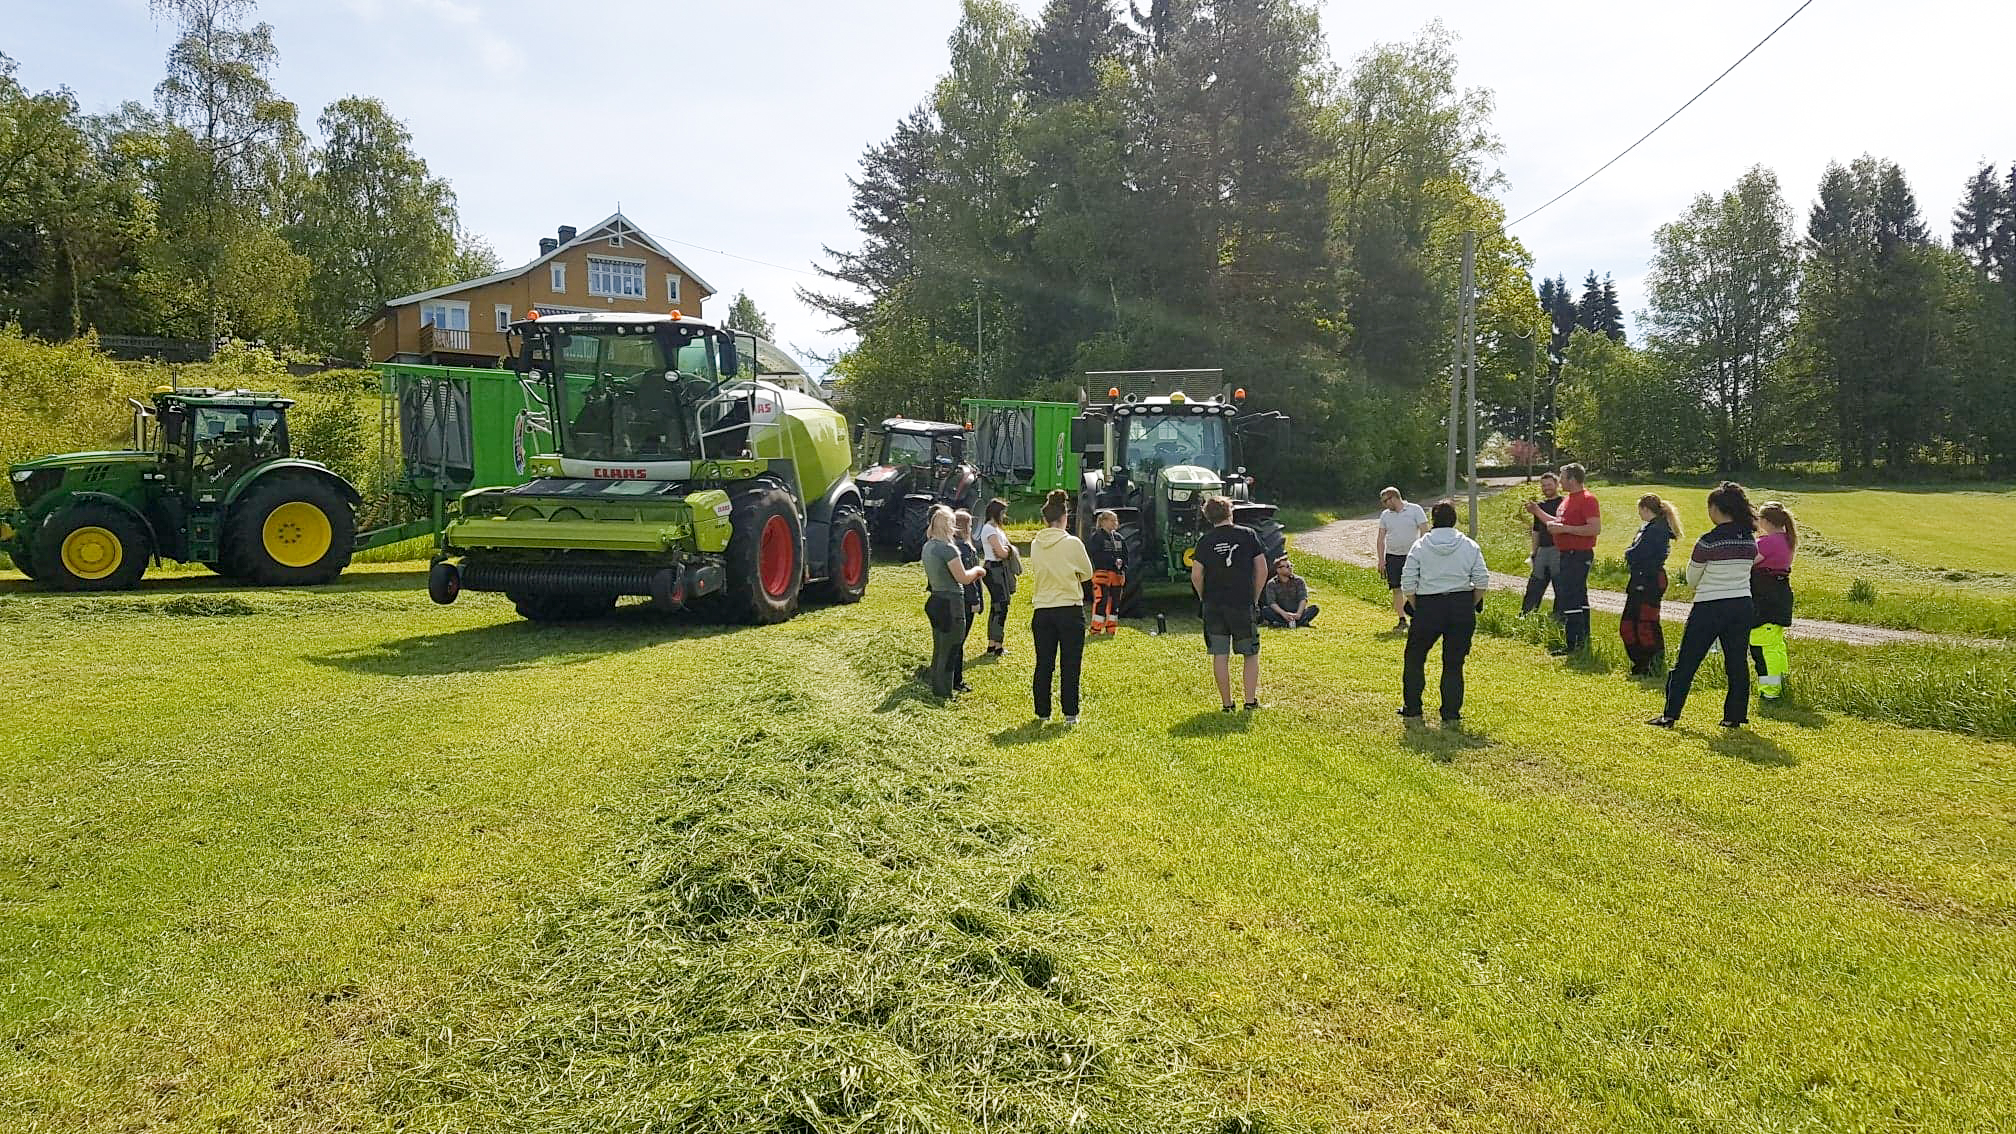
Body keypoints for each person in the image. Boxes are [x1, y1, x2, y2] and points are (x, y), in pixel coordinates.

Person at [1649, 482, 1760, 729]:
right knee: (1736, 662)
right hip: (1742, 604)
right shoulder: (1749, 540)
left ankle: (1670, 715)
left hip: (1710, 605)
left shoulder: (1708, 541)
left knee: (1687, 661)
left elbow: (1692, 578)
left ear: (1717, 509)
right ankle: (1734, 716)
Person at [1398, 500, 1491, 725]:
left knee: (1415, 657)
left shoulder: (1420, 546)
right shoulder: (1469, 545)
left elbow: (1408, 583)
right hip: (1460, 604)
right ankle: (1450, 713)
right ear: (1455, 520)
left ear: (1433, 521)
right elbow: (1482, 580)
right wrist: (1470, 603)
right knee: (1453, 662)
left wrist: (1418, 606)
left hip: (1429, 604)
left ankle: (1413, 707)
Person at [1192, 495, 1268, 711]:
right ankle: (1250, 701)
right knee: (1250, 653)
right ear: (1230, 512)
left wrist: (1203, 596)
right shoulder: (1248, 535)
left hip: (1214, 605)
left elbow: (1196, 575)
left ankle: (1227, 704)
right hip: (1241, 602)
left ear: (1208, 517)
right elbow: (1261, 568)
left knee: (1220, 654)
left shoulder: (1204, 541)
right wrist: (1255, 597)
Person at [1027, 490, 1095, 724]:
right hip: (1069, 607)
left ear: (1045, 520)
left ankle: (1042, 712)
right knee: (1070, 663)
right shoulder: (1072, 543)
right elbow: (1087, 573)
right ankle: (1070, 713)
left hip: (1043, 608)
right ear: (1065, 517)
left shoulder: (1036, 544)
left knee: (1043, 663)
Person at [1533, 464, 1600, 655]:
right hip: (1565, 554)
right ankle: (1580, 642)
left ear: (1572, 479)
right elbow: (1561, 523)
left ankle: (1574, 645)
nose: (1560, 481)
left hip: (1578, 555)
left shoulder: (1587, 500)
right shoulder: (1567, 501)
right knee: (1576, 597)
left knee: (1570, 597)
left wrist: (1564, 529)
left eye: (1562, 478)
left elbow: (1594, 529)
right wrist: (1542, 516)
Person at [921, 506, 987, 700]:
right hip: (951, 602)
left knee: (940, 646)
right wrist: (977, 571)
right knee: (951, 648)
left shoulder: (929, 546)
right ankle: (944, 692)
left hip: (935, 599)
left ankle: (936, 684)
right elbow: (963, 577)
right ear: (949, 525)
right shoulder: (948, 549)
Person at [1621, 494, 1682, 676]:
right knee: (1632, 623)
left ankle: (1650, 663)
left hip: (1649, 579)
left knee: (1644, 623)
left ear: (1645, 509)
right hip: (1644, 578)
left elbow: (1637, 553)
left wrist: (1628, 553)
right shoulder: (1652, 528)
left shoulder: (1655, 530)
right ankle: (1643, 663)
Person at [1750, 501, 1799, 702]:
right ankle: (1779, 682)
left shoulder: (1767, 543)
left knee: (1761, 646)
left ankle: (1770, 690)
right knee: (1775, 645)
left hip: (1764, 598)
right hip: (1779, 595)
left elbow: (1748, 561)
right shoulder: (1787, 540)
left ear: (1766, 521)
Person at [1376, 487, 1430, 630]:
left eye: (1385, 501)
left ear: (1394, 497)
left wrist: (1422, 553)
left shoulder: (1415, 510)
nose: (1384, 504)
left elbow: (1424, 532)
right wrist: (1381, 560)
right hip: (1393, 556)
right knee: (1396, 588)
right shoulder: (1385, 515)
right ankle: (1401, 619)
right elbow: (1380, 539)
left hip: (1412, 556)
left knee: (1416, 587)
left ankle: (1419, 616)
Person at [1521, 472, 1564, 615]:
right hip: (1542, 550)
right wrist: (1534, 552)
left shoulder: (1563, 503)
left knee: (1560, 586)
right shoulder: (1540, 505)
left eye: (1549, 485)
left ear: (1557, 485)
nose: (1546, 488)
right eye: (1543, 485)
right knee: (1534, 585)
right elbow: (1536, 531)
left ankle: (1559, 618)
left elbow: (1560, 524)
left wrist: (1537, 511)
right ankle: (1526, 615)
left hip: (1559, 549)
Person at [978, 498, 1016, 656]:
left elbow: (1002, 550)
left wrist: (1006, 551)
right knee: (1001, 607)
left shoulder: (996, 529)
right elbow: (1000, 552)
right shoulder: (989, 529)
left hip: (999, 568)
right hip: (994, 569)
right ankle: (997, 644)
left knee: (997, 606)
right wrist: (1010, 551)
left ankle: (993, 644)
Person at [952, 509, 984, 693]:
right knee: (959, 641)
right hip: (965, 600)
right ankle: (957, 680)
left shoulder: (953, 545)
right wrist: (975, 601)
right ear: (965, 527)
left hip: (957, 598)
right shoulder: (965, 548)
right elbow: (970, 578)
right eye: (970, 525)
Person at [1087, 509, 1127, 635]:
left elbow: (1126, 555)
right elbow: (1094, 554)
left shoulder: (1119, 538)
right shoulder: (1097, 537)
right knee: (1101, 600)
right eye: (1112, 520)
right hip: (1102, 574)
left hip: (1117, 575)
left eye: (1116, 520)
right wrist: (1111, 561)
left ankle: (1111, 629)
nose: (1116, 523)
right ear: (1103, 522)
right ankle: (1096, 629)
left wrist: (1123, 568)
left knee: (1115, 602)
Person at [1258, 556, 1319, 628]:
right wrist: (1284, 614)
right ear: (1278, 569)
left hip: (1297, 611)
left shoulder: (1299, 581)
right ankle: (1296, 623)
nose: (1290, 568)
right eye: (1287, 566)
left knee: (1315, 608)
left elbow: (1303, 598)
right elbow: (1272, 603)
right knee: (1265, 610)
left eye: (1291, 566)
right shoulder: (1271, 584)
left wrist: (1298, 614)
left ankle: (1287, 623)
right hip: (1281, 613)